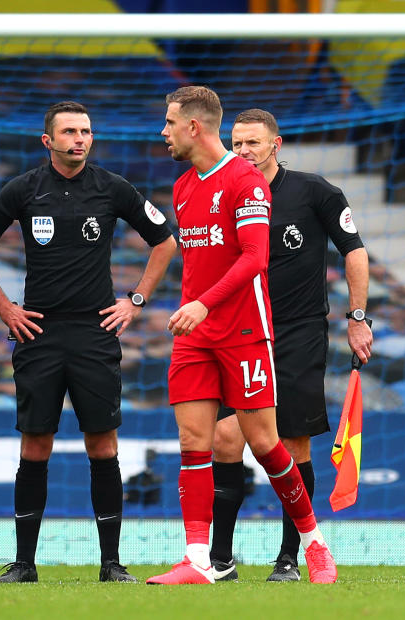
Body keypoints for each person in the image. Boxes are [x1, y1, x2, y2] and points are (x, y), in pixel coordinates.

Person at [146, 87, 337, 585]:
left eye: (169, 123)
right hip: (195, 335)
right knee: (194, 440)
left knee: (267, 445)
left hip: (244, 331)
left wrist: (203, 303)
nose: (162, 132)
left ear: (194, 127)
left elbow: (255, 257)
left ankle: (314, 545)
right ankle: (198, 560)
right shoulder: (184, 186)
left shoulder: (247, 181)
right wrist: (195, 308)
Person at [0, 101, 177, 583]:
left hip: (95, 333)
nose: (80, 139)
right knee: (35, 446)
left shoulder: (113, 188)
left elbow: (166, 240)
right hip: (38, 333)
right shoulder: (23, 190)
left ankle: (111, 563)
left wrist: (135, 300)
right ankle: (24, 564)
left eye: (86, 131)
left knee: (102, 445)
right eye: (69, 131)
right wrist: (5, 307)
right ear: (46, 140)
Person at [207, 108, 374, 582]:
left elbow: (355, 252)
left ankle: (289, 558)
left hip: (297, 332)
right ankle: (220, 558)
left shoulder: (314, 192)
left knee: (292, 441)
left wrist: (357, 318)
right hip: (238, 332)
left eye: (252, 143)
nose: (243, 152)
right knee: (225, 438)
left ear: (275, 144)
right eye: (236, 143)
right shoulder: (221, 192)